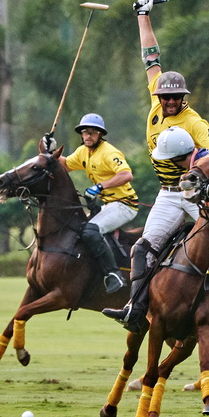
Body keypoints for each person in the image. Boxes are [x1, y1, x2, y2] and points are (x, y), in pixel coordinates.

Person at [101, 0, 209, 334]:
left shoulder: (194, 123)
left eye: (175, 97)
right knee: (143, 248)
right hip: (167, 194)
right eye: (165, 96)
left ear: (184, 97)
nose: (170, 101)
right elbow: (150, 58)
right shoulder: (156, 103)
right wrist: (143, 16)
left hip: (196, 198)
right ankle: (135, 309)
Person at [45, 113, 139, 294]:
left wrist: (100, 186)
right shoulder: (83, 152)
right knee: (77, 229)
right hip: (108, 205)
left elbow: (126, 174)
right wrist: (50, 151)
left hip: (124, 205)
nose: (88, 136)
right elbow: (65, 165)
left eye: (92, 133)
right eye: (85, 132)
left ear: (100, 134)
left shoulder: (109, 152)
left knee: (90, 231)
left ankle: (114, 275)